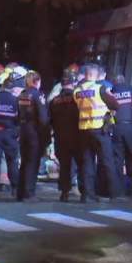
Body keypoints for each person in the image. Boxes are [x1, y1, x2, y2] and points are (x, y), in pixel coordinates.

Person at [73, 64, 121, 202]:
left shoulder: (77, 91)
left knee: (87, 163)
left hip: (84, 129)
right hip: (100, 129)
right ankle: (113, 194)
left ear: (86, 75)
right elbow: (115, 105)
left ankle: (87, 195)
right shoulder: (100, 88)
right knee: (107, 161)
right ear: (95, 76)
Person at [49, 69, 81, 202]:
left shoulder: (54, 100)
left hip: (60, 136)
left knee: (64, 164)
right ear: (73, 83)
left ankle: (64, 191)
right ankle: (81, 190)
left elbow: (50, 120)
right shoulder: (77, 99)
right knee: (79, 163)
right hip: (76, 136)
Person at [17, 71, 49, 201]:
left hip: (22, 130)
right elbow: (43, 118)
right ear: (37, 81)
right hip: (34, 132)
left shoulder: (22, 94)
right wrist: (45, 135)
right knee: (32, 162)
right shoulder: (38, 95)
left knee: (24, 162)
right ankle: (29, 193)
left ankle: (20, 192)